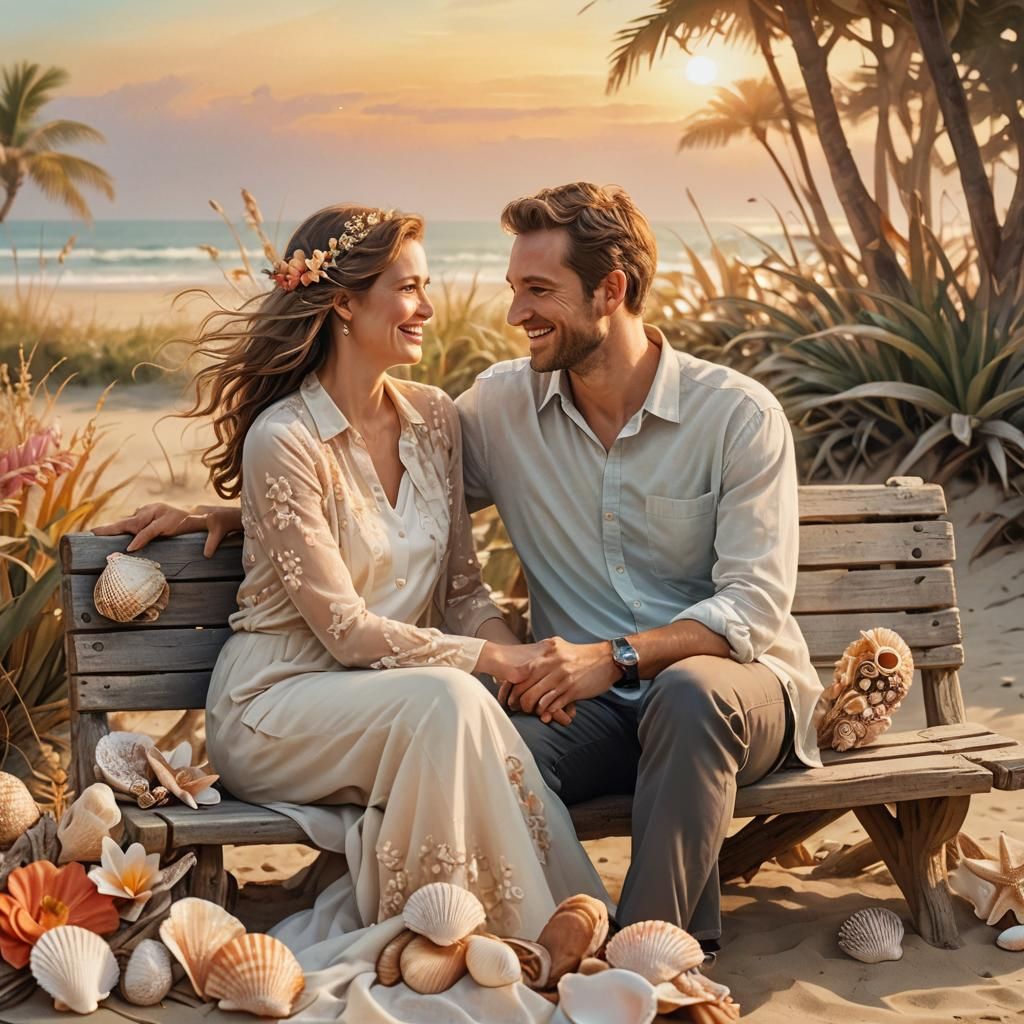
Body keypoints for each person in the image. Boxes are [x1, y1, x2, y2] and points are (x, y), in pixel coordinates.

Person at [103, 182, 823, 959]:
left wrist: (611, 657)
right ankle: (538, 942)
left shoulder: (736, 416)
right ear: (343, 303)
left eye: (538, 290)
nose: (514, 313)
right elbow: (358, 501)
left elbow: (752, 608)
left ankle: (657, 954)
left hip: (726, 692)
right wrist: (236, 513)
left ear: (610, 290)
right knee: (483, 742)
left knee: (683, 696)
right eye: (513, 288)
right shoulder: (495, 409)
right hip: (570, 701)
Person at [95, 203, 607, 1020]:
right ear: (342, 302)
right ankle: (463, 938)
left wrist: (522, 665)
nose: (428, 306)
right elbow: (345, 631)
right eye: (408, 289)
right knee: (448, 699)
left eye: (427, 286)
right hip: (276, 706)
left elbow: (464, 593)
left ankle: (502, 939)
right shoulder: (285, 439)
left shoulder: (436, 419)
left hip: (399, 700)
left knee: (456, 702)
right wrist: (496, 661)